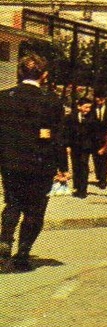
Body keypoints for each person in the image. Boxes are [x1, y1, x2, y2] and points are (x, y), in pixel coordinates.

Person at [0, 53, 68, 271]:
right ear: (45, 75)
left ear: (20, 73)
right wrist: (63, 169)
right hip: (40, 164)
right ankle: (22, 256)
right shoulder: (52, 102)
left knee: (13, 203)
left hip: (10, 163)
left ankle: (4, 242)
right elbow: (58, 138)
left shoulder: (3, 97)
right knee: (35, 210)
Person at [66, 96, 107, 199]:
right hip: (74, 145)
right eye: (85, 107)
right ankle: (77, 187)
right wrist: (67, 145)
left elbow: (96, 133)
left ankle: (83, 190)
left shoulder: (92, 118)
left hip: (86, 146)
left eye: (89, 108)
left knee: (84, 165)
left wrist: (98, 146)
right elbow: (67, 132)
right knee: (76, 166)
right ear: (79, 106)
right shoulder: (71, 117)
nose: (87, 110)